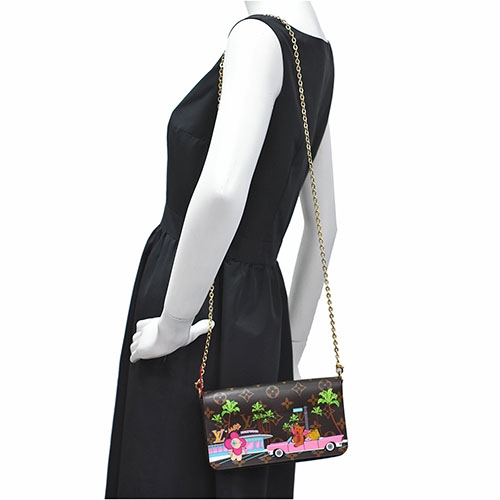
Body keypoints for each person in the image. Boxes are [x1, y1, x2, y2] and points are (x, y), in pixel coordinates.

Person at [105, 1, 336, 498]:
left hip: (196, 311)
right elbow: (326, 226)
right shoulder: (317, 54)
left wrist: (172, 323)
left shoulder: (257, 39)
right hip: (263, 319)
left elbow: (222, 193)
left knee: (165, 475)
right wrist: (290, 352)